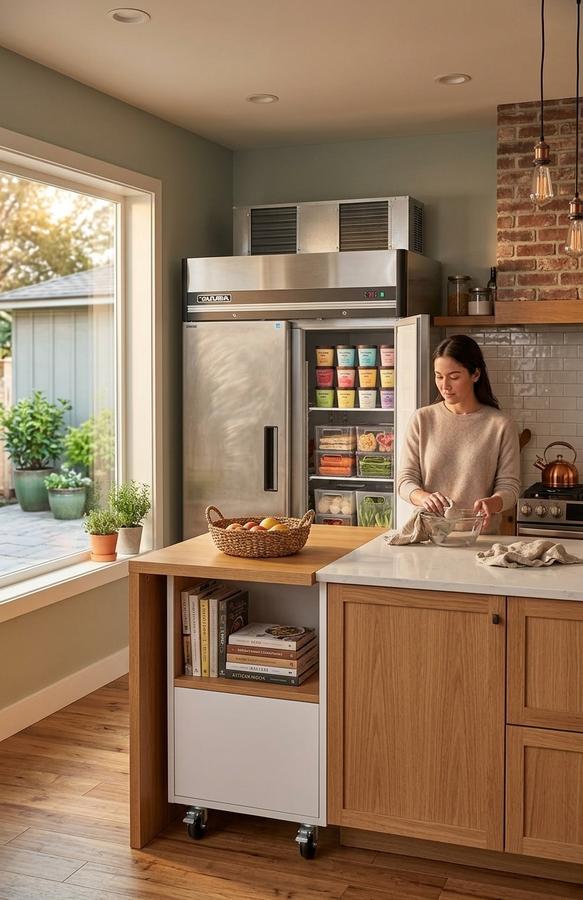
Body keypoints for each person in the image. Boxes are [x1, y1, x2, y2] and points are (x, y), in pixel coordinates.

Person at [397, 334, 520, 533]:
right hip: (429, 538)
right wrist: (424, 497)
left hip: (480, 540)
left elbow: (510, 487)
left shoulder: (501, 425)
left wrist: (494, 502)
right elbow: (404, 481)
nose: (444, 386)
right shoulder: (422, 419)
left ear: (475, 374)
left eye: (454, 377)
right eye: (439, 376)